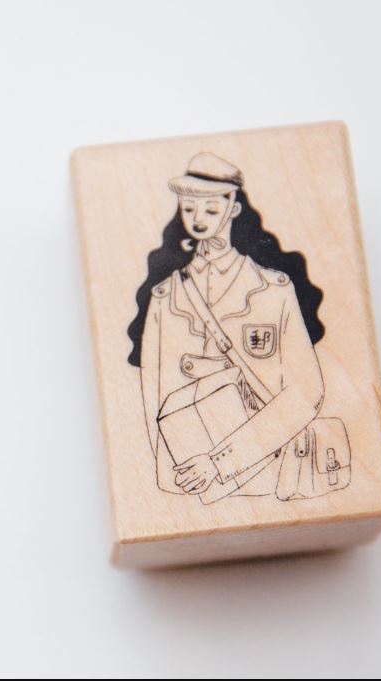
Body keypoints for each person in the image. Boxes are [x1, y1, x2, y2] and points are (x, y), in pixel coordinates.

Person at [127, 152, 326, 498]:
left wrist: (222, 462)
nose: (198, 218)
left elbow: (307, 391)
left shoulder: (273, 290)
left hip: (266, 475)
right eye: (189, 208)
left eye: (210, 208)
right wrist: (174, 475)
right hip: (189, 483)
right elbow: (152, 395)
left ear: (233, 209)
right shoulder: (164, 296)